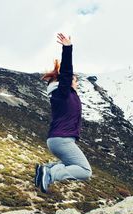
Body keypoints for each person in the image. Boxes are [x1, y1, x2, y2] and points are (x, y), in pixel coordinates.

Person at [34, 33, 92, 193]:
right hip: (62, 140)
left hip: (59, 139)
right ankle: (50, 174)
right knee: (85, 171)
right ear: (64, 81)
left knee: (70, 164)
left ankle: (46, 169)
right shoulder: (62, 92)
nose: (76, 82)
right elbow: (66, 71)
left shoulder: (62, 95)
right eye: (74, 79)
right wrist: (67, 48)